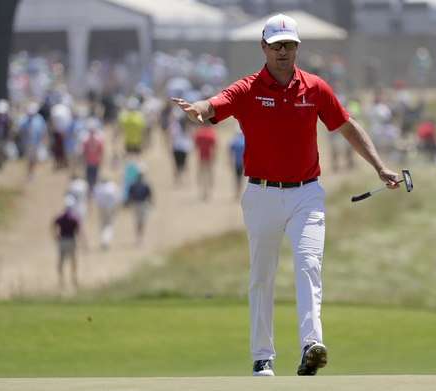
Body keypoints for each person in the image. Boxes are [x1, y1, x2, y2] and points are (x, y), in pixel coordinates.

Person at [172, 13, 401, 377]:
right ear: (263, 47)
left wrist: (379, 167)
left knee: (309, 266)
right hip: (261, 194)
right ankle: (262, 356)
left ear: (297, 48)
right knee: (262, 276)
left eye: (290, 45)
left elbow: (346, 125)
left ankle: (312, 345)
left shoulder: (315, 88)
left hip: (306, 194)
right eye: (277, 45)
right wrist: (198, 109)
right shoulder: (247, 88)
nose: (283, 51)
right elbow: (215, 104)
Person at [51, 195, 82, 288]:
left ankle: (61, 280)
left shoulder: (60, 217)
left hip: (62, 240)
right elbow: (78, 231)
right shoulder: (74, 218)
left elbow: (53, 226)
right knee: (73, 260)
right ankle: (74, 278)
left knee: (61, 260)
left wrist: (56, 237)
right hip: (71, 240)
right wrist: (80, 241)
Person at [17, 101, 48, 181]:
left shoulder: (39, 118)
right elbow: (20, 131)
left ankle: (32, 172)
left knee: (34, 159)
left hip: (36, 142)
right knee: (28, 158)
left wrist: (44, 142)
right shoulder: (24, 118)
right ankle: (29, 172)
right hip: (27, 143)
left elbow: (43, 131)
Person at [92, 175, 121, 250]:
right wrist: (116, 209)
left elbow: (94, 197)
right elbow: (117, 198)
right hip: (109, 207)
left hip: (100, 207)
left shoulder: (97, 186)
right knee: (108, 224)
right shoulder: (112, 186)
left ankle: (102, 240)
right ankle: (106, 241)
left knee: (102, 224)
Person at [127, 164, 153, 246]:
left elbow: (129, 196)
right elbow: (150, 196)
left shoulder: (133, 183)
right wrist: (151, 204)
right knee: (142, 221)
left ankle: (138, 237)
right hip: (143, 204)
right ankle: (140, 237)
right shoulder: (146, 184)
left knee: (137, 221)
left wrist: (128, 204)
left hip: (135, 204)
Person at [193, 123, 216, 200]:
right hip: (209, 157)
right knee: (209, 174)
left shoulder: (199, 133)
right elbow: (214, 146)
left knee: (201, 175)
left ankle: (203, 190)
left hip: (201, 157)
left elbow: (196, 146)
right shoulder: (211, 132)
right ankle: (209, 190)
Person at [229, 124, 245, 201]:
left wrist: (230, 161)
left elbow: (230, 152)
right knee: (241, 179)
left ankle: (237, 193)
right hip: (243, 163)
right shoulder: (244, 140)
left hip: (236, 163)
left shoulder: (234, 141)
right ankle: (240, 192)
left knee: (237, 178)